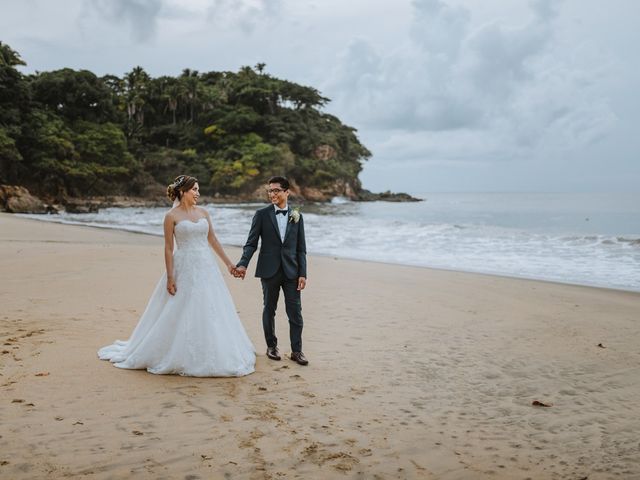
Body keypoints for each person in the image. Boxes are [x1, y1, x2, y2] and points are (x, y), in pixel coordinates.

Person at [98, 175, 255, 377]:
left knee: (211, 308)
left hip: (207, 267)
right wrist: (171, 277)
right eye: (194, 190)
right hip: (185, 267)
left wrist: (229, 264)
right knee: (182, 308)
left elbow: (212, 239)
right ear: (183, 191)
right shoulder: (171, 216)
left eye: (198, 190)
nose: (198, 193)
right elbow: (168, 248)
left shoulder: (204, 212)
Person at [235, 176, 309, 366]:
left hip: (292, 271)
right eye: (270, 190)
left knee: (296, 312)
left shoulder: (297, 215)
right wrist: (243, 263)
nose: (272, 194)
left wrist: (303, 273)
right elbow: (251, 243)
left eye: (276, 190)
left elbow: (301, 248)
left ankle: (297, 351)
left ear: (287, 192)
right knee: (269, 309)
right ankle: (271, 346)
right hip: (269, 270)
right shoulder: (261, 214)